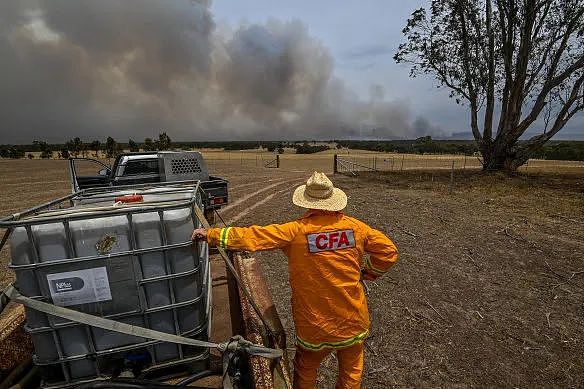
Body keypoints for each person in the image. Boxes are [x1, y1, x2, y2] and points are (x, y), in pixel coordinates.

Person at [192, 171, 398, 389]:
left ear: (307, 203)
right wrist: (368, 273)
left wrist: (212, 235)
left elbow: (254, 236)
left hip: (314, 325)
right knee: (351, 373)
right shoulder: (357, 228)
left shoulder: (295, 231)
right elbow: (389, 252)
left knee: (307, 369)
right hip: (352, 322)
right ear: (334, 200)